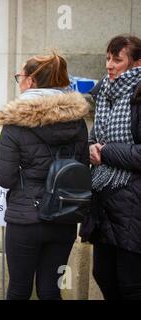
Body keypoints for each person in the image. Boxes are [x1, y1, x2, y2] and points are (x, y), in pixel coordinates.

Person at [0, 53, 90, 300]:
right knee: (50, 290)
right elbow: (81, 167)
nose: (19, 82)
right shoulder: (77, 121)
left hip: (25, 219)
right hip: (64, 218)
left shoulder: (15, 123)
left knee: (18, 289)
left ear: (33, 81)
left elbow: (4, 178)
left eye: (21, 77)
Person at [81, 35, 141, 300]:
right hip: (104, 200)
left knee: (131, 284)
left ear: (137, 63)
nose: (109, 65)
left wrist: (105, 153)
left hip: (133, 203)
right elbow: (97, 136)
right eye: (108, 58)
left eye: (117, 59)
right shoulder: (105, 92)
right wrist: (91, 147)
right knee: (103, 275)